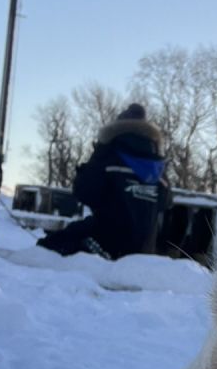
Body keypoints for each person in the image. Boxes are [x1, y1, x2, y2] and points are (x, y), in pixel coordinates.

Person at [38, 103, 168, 260]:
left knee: (46, 248)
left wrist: (87, 166)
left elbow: (84, 191)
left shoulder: (109, 152)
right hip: (144, 252)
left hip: (103, 245)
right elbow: (165, 201)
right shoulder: (157, 164)